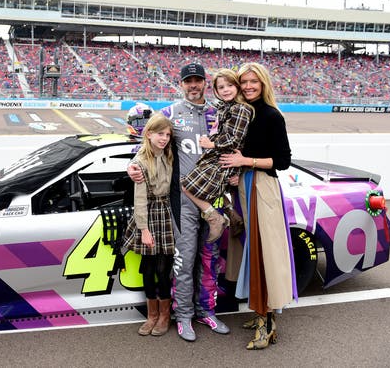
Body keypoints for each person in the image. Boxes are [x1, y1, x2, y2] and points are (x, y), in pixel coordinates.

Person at [128, 62, 228, 342]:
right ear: (181, 84)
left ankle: (206, 311)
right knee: (183, 264)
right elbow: (147, 141)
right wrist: (132, 165)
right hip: (182, 203)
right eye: (188, 81)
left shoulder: (217, 113)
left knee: (209, 262)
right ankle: (183, 316)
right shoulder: (170, 113)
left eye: (198, 80)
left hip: (213, 200)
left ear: (205, 83)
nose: (193, 85)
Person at [219, 62, 298, 350]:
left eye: (254, 81)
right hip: (243, 187)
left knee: (264, 255)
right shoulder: (242, 113)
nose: (249, 86)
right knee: (251, 253)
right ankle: (260, 313)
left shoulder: (271, 115)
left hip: (262, 188)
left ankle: (267, 323)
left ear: (263, 83)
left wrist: (245, 162)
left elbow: (283, 160)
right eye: (244, 82)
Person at [181, 69, 253, 243]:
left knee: (185, 185)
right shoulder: (226, 107)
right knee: (210, 190)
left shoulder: (240, 108)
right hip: (220, 157)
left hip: (223, 159)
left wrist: (211, 144)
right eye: (221, 87)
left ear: (237, 86)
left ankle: (215, 218)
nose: (226, 90)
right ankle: (231, 215)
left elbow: (235, 139)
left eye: (230, 85)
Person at [121, 112, 174, 337]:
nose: (164, 138)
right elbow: (140, 199)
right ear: (149, 134)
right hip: (149, 216)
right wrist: (144, 230)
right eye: (160, 134)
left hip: (168, 213)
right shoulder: (141, 161)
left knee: (164, 269)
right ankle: (152, 315)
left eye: (168, 135)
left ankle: (164, 315)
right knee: (149, 268)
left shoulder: (172, 154)